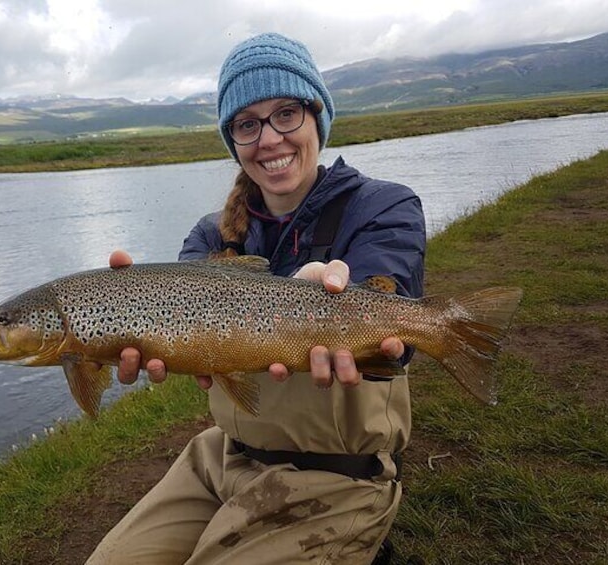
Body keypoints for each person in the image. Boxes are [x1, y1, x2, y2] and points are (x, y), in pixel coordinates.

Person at [87, 32, 426, 565]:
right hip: (222, 455)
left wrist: (332, 296)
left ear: (317, 118)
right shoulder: (209, 234)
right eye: (248, 123)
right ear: (233, 140)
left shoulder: (383, 206)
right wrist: (136, 315)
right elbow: (187, 333)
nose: (269, 138)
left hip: (335, 472)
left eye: (286, 114)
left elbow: (394, 319)